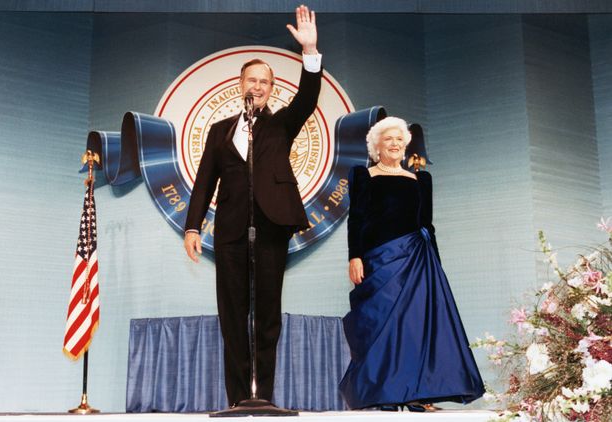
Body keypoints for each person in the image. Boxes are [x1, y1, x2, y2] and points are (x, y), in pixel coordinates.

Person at [183, 5, 321, 408]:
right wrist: (193, 227)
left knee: (267, 318)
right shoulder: (219, 131)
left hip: (271, 228)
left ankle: (265, 398)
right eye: (252, 80)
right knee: (232, 318)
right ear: (240, 84)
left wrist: (309, 52)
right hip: (229, 232)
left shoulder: (281, 124)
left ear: (271, 89)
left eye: (264, 81)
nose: (257, 86)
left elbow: (309, 97)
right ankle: (239, 400)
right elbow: (204, 181)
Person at [339, 117, 485, 411]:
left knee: (419, 327)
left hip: (419, 260)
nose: (394, 143)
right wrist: (354, 256)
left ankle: (418, 394)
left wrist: (436, 267)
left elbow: (427, 225)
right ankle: (385, 393)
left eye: (398, 139)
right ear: (376, 146)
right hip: (380, 260)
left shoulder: (421, 179)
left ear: (405, 145)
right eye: (388, 139)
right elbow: (356, 219)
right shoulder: (363, 176)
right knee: (383, 327)